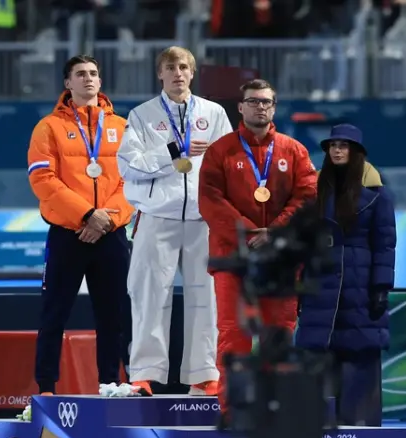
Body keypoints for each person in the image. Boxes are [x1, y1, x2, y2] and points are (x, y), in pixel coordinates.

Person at [198, 78, 317, 418]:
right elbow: (209, 199)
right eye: (252, 101)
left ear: (274, 107)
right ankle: (231, 411)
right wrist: (249, 233)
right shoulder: (221, 151)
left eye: (265, 102)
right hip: (232, 256)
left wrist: (276, 232)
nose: (259, 107)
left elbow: (308, 196)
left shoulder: (294, 151)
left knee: (278, 334)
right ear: (240, 107)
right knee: (233, 335)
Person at [117, 46, 232, 396]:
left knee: (206, 296)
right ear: (160, 74)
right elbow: (128, 167)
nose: (178, 73)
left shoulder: (213, 114)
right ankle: (144, 374)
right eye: (171, 67)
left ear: (193, 73)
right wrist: (172, 152)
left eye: (184, 67)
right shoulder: (141, 115)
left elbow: (228, 164)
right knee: (149, 295)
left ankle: (204, 374)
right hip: (156, 216)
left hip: (203, 218)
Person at [29, 54, 133, 397]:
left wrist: (107, 219)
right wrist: (87, 215)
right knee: (54, 314)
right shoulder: (49, 127)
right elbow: (43, 179)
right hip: (68, 234)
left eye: (93, 74)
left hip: (111, 234)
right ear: (67, 83)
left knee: (113, 317)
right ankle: (46, 388)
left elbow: (134, 181)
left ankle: (111, 385)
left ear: (100, 82)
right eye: (80, 74)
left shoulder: (122, 127)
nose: (88, 79)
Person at [294, 124, 396, 427]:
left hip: (359, 285)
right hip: (321, 283)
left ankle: (359, 425)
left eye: (344, 145)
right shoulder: (315, 192)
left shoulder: (378, 197)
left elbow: (385, 244)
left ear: (357, 153)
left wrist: (381, 287)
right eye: (333, 145)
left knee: (359, 353)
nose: (337, 150)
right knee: (318, 353)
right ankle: (316, 427)